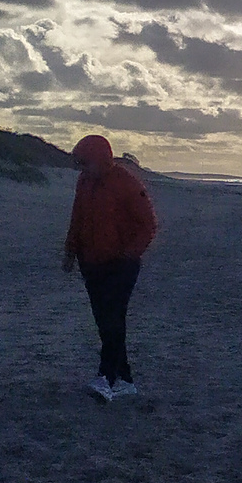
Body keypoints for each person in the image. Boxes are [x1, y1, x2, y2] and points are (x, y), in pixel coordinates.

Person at [64, 135, 159, 402]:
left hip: (121, 265)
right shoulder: (84, 182)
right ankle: (125, 379)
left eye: (86, 162)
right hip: (91, 263)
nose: (83, 168)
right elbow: (78, 218)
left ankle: (106, 377)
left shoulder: (127, 183)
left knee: (112, 319)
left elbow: (148, 225)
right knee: (105, 322)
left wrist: (129, 255)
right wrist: (70, 252)